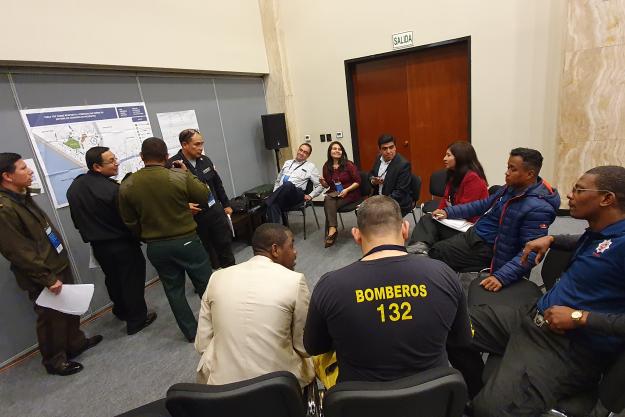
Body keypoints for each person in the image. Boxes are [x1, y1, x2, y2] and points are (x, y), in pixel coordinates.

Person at [452, 166, 625, 417]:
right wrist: (553, 239)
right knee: (449, 324)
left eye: (579, 190)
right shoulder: (601, 233)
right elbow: (594, 247)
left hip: (565, 348)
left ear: (607, 198)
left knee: (488, 412)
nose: (569, 195)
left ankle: (491, 399)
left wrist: (579, 317)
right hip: (531, 318)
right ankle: (481, 387)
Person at [303, 195, 471, 383]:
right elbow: (462, 339)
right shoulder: (444, 274)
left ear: (356, 235)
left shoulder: (330, 286)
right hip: (432, 399)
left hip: (359, 401)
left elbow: (314, 347)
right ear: (405, 229)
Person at [0, 153, 102, 375]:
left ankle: (75, 343)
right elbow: (18, 251)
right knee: (51, 318)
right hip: (41, 273)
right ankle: (55, 360)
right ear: (7, 176)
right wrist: (47, 278)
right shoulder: (4, 208)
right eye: (23, 168)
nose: (30, 172)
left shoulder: (22, 195)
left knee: (69, 309)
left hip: (56, 263)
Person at [195, 223, 314, 387]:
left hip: (222, 391)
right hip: (277, 388)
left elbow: (202, 343)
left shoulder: (217, 277)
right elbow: (304, 346)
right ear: (275, 250)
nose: (295, 252)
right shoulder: (294, 281)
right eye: (292, 245)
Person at [118, 137, 212, 342]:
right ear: (167, 157)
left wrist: (145, 234)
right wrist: (186, 174)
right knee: (206, 284)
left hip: (156, 246)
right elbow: (205, 195)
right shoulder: (178, 177)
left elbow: (129, 221)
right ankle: (219, 324)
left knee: (173, 290)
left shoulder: (128, 184)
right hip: (187, 240)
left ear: (141, 157)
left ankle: (191, 333)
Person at [429, 148, 560, 290]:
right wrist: (449, 212)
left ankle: (452, 287)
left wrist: (501, 276)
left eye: (513, 169)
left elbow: (530, 252)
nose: (507, 172)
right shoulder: (512, 187)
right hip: (476, 234)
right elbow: (483, 204)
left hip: (489, 248)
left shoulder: (539, 208)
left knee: (437, 253)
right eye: (508, 167)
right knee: (432, 229)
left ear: (530, 174)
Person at [67, 147, 157, 335]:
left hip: (99, 246)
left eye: (115, 158)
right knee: (131, 281)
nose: (116, 162)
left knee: (114, 280)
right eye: (111, 160)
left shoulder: (75, 188)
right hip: (122, 244)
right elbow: (128, 220)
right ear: (97, 167)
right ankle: (137, 321)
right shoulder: (113, 190)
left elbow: (77, 221)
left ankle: (121, 311)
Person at [167, 129, 235, 268]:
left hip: (214, 210)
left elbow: (217, 184)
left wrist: (226, 204)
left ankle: (231, 274)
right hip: (195, 217)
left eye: (202, 144)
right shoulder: (172, 165)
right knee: (204, 252)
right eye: (196, 144)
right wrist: (184, 207)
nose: (200, 148)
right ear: (184, 145)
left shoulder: (205, 160)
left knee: (225, 245)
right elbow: (168, 195)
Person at [408, 141, 488, 254]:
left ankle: (420, 247)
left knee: (428, 221)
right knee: (430, 218)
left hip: (468, 228)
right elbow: (446, 200)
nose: (444, 158)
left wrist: (445, 213)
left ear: (460, 158)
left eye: (448, 155)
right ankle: (420, 247)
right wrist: (438, 212)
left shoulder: (473, 179)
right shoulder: (454, 175)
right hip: (454, 221)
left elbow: (466, 210)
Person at [265, 143, 323, 224]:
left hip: (297, 194)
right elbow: (278, 180)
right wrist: (275, 192)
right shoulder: (287, 162)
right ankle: (277, 233)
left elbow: (320, 185)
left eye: (305, 152)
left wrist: (311, 195)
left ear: (308, 156)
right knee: (273, 205)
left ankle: (267, 201)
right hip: (283, 195)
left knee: (288, 184)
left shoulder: (311, 167)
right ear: (298, 150)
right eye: (301, 150)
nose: (302, 153)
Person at [319, 141, 361, 247]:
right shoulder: (326, 166)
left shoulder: (348, 164)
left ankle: (332, 230)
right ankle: (332, 229)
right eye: (334, 148)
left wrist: (346, 190)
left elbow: (358, 181)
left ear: (342, 152)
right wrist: (322, 183)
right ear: (330, 151)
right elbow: (327, 185)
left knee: (328, 203)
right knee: (329, 199)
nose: (337, 151)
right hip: (335, 194)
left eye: (339, 149)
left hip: (350, 193)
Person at [368, 134, 412, 215]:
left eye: (391, 147)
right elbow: (371, 174)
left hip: (396, 203)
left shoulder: (403, 165)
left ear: (395, 147)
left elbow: (400, 192)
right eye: (384, 148)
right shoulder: (379, 158)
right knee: (361, 212)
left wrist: (380, 203)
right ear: (379, 150)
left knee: (376, 216)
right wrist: (373, 181)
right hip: (378, 198)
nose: (388, 151)